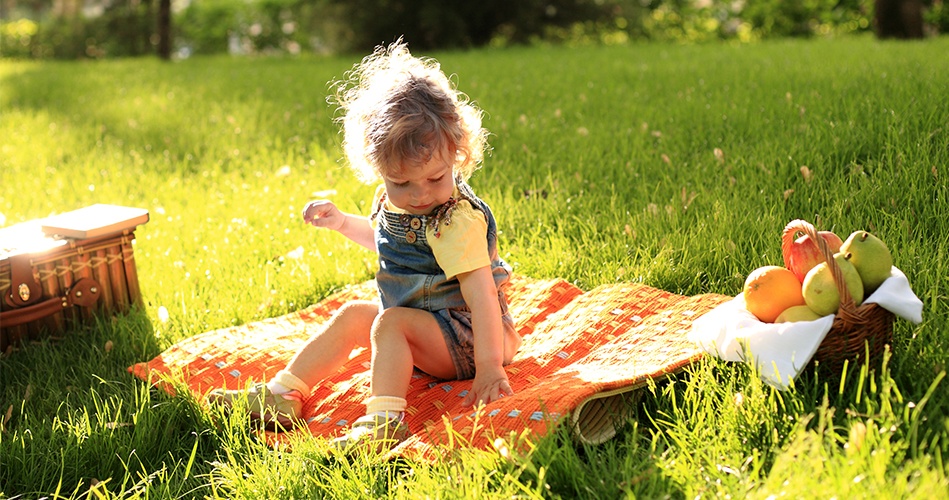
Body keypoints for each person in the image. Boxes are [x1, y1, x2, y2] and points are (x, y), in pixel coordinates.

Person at [210, 39, 521, 452]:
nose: (419, 195)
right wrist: (341, 223)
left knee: (388, 323)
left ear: (458, 154)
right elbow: (385, 242)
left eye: (435, 178)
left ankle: (385, 423)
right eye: (401, 182)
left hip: (472, 338)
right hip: (430, 328)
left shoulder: (454, 219)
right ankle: (283, 394)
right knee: (355, 316)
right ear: (378, 168)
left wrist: (488, 367)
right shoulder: (393, 202)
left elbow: (481, 296)